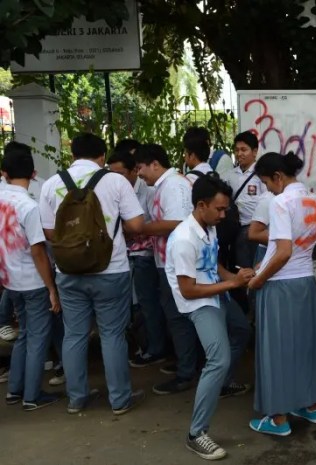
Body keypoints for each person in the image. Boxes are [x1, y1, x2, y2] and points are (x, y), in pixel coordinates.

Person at [39, 133, 146, 415]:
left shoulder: (51, 184)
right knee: (112, 334)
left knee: (74, 334)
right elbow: (136, 224)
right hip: (110, 269)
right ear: (102, 157)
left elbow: (49, 232)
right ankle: (120, 400)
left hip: (68, 271)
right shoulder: (115, 181)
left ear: (72, 155)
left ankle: (77, 399)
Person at [165, 173, 254, 460]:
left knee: (242, 330)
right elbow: (189, 290)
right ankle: (196, 433)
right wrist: (232, 283)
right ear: (201, 205)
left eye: (226, 208)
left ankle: (222, 382)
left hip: (215, 293)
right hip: (198, 302)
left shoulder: (208, 227)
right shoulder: (183, 239)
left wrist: (237, 277)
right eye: (220, 209)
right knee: (219, 358)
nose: (224, 214)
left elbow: (212, 265)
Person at [246, 152, 316, 436]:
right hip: (305, 282)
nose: (268, 188)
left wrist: (258, 280)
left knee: (276, 353)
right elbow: (293, 248)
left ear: (278, 177)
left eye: (267, 182)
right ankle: (312, 405)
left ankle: (278, 419)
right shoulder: (315, 201)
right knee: (306, 347)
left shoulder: (281, 202)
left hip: (279, 286)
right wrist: (263, 263)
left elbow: (283, 251)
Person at [1, 142, 61, 410]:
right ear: (34, 174)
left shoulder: (2, 200)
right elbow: (38, 250)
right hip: (33, 281)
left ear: (4, 173)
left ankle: (15, 389)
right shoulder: (28, 206)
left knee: (25, 334)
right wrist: (51, 287)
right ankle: (32, 396)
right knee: (37, 337)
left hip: (10, 280)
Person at [134, 144, 198, 395]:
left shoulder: (173, 185)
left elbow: (178, 223)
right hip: (167, 262)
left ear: (155, 164)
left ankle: (186, 372)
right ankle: (186, 362)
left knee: (179, 316)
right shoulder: (162, 186)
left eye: (140, 168)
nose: (139, 174)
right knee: (175, 315)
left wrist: (141, 228)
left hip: (177, 264)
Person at [107, 146, 167, 368]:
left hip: (145, 254)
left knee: (147, 303)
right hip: (122, 255)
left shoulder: (150, 190)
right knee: (131, 306)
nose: (115, 178)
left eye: (120, 174)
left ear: (134, 171)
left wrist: (131, 227)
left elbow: (145, 224)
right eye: (111, 174)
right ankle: (143, 344)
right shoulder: (112, 190)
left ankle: (156, 348)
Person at [222, 131, 268, 269]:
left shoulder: (261, 175)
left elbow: (267, 201)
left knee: (252, 266)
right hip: (234, 228)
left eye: (244, 150)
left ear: (254, 152)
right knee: (237, 266)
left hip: (254, 229)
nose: (239, 154)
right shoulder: (230, 175)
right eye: (236, 150)